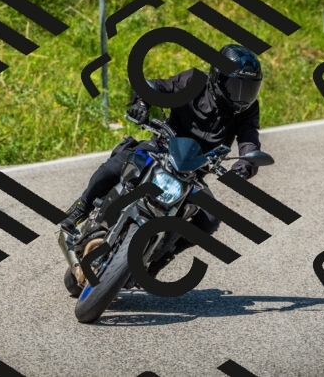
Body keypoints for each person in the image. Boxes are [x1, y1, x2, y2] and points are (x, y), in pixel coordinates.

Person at [61, 44, 265, 275]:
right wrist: (141, 104)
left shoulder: (247, 110)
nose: (241, 96)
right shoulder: (194, 82)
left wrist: (246, 164)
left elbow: (249, 138)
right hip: (161, 149)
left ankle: (163, 256)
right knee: (116, 166)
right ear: (217, 78)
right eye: (235, 86)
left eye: (248, 89)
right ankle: (81, 207)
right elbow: (158, 87)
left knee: (209, 220)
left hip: (193, 173)